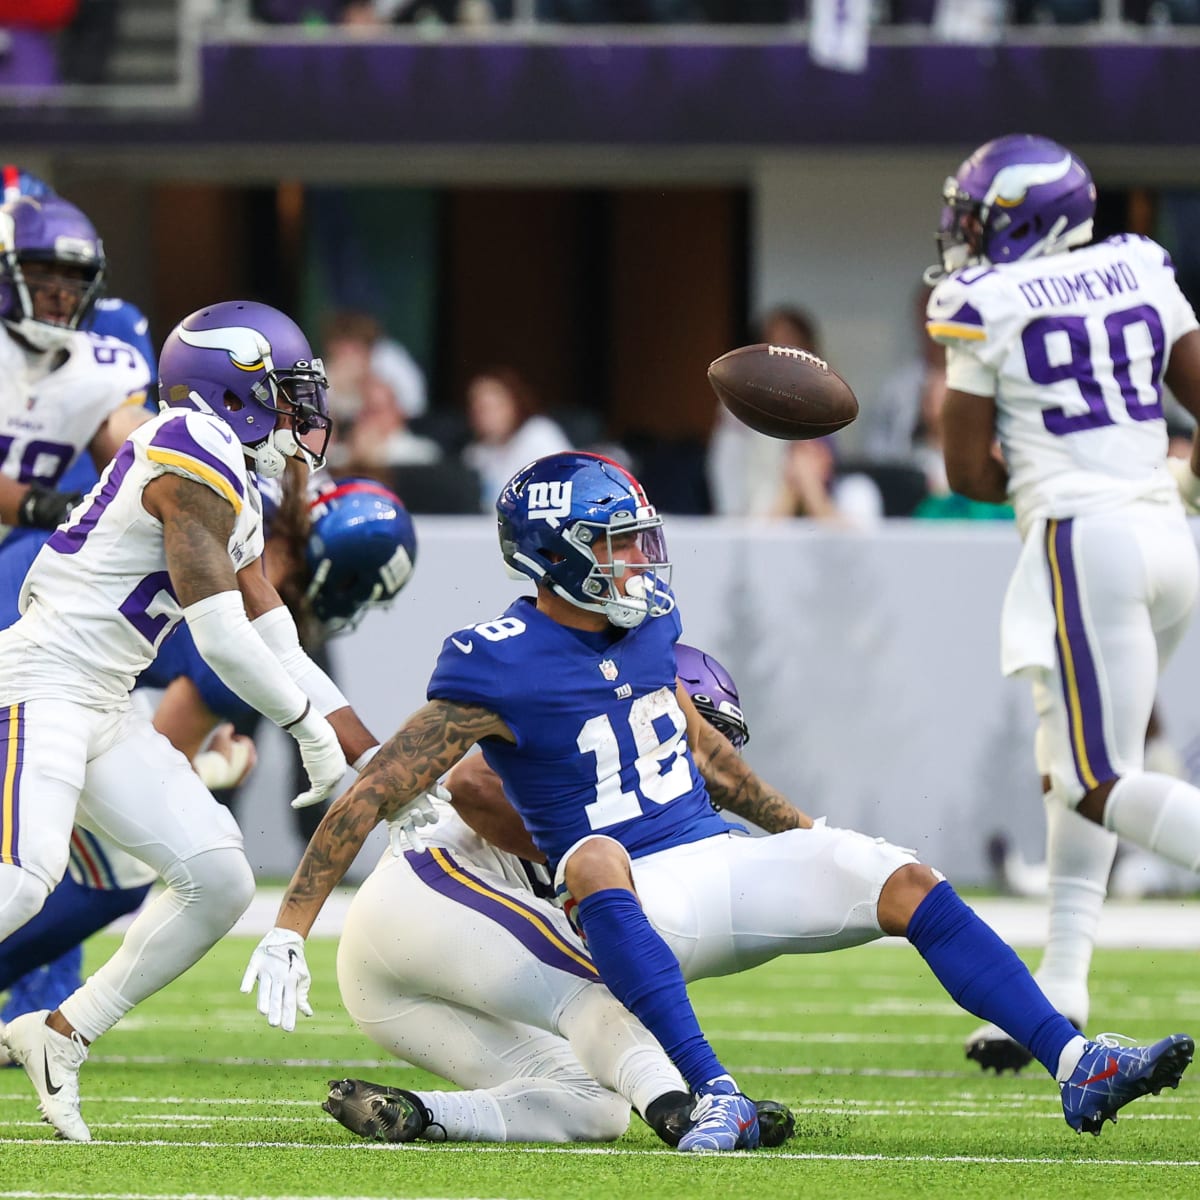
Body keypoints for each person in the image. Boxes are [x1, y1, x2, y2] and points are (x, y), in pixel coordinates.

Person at [243, 450, 1192, 1153]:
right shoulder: (494, 661)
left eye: (637, 542)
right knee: (591, 857)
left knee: (895, 873)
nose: (637, 565)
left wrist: (814, 841)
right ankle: (714, 1093)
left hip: (711, 864)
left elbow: (719, 770)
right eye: (613, 547)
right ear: (553, 558)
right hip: (630, 906)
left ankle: (1076, 1063)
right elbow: (376, 790)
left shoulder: (652, 627)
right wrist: (291, 925)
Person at [0, 300, 384, 1143]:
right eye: (287, 393)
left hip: (101, 697)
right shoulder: (192, 450)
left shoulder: (229, 470)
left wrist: (359, 744)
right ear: (234, 388)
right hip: (41, 681)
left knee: (218, 878)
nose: (303, 414)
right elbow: (223, 641)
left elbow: (274, 629)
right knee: (23, 880)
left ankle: (60, 1035)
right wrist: (311, 735)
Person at [924, 133, 1200, 1072]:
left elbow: (965, 469)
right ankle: (1062, 986)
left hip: (1086, 543)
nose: (963, 234)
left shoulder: (979, 301)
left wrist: (1048, 474)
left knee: (1091, 776)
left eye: (980, 217)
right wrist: (1181, 477)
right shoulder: (1137, 262)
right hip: (1167, 536)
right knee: (1070, 763)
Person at [322, 643, 795, 1148]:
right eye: (702, 740)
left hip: (387, 987)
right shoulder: (581, 757)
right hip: (421, 891)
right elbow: (470, 783)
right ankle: (689, 1110)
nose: (708, 763)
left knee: (599, 1107)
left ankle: (417, 1112)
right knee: (594, 990)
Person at [0, 474, 418, 1030]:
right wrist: (210, 766)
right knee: (91, 870)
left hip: (38, 619)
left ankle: (54, 1025)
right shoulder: (241, 563)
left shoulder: (247, 510)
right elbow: (176, 729)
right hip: (35, 659)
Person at [0, 167, 160, 1020]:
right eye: (43, 278)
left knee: (74, 839)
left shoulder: (108, 351)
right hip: (26, 544)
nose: (58, 296)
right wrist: (41, 503)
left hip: (27, 578)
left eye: (72, 282)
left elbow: (131, 451)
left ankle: (37, 990)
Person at [460, 367, 571, 512]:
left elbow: (565, 488)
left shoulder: (538, 434)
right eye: (478, 408)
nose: (484, 416)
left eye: (492, 407)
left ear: (514, 404)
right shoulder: (475, 453)